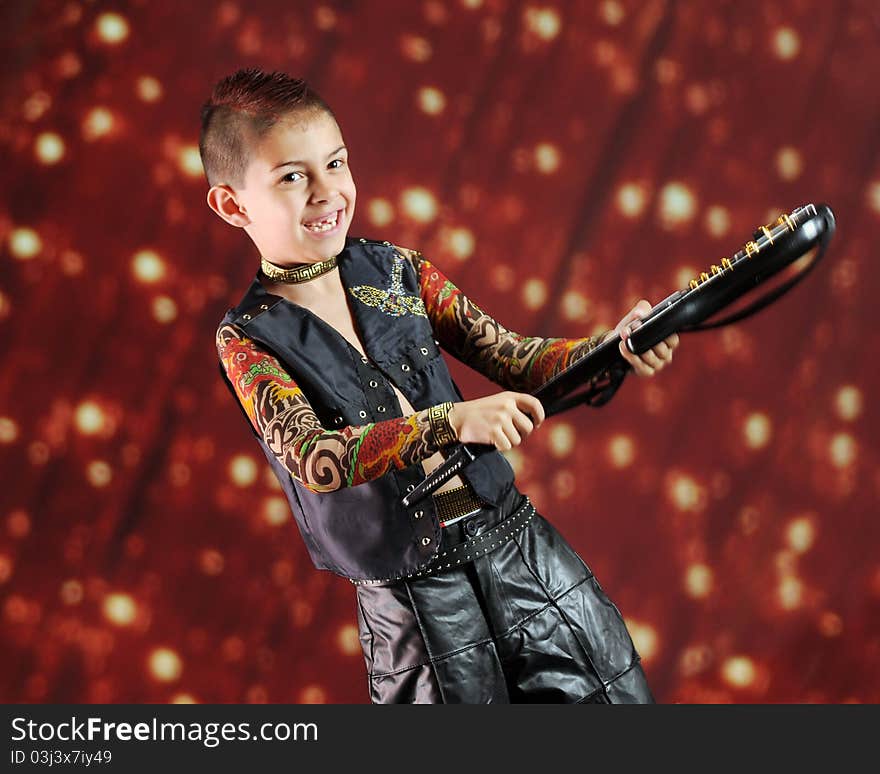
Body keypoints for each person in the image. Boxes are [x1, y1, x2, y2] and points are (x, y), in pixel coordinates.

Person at [200, 67, 679, 704]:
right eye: (292, 176)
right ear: (233, 204)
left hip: (518, 550)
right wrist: (454, 423)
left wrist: (610, 347)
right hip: (418, 609)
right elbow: (317, 460)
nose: (327, 192)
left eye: (336, 164)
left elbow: (515, 358)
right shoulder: (249, 339)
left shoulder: (399, 270)